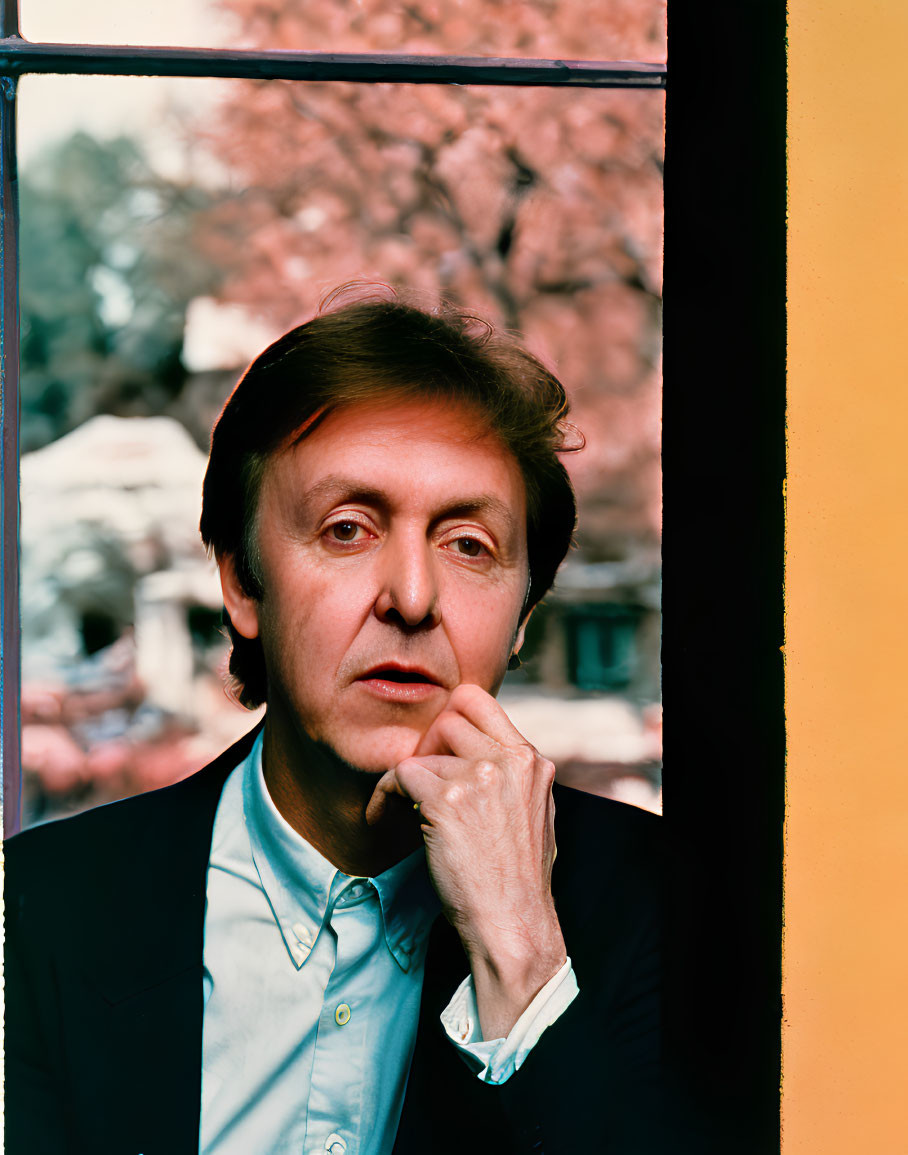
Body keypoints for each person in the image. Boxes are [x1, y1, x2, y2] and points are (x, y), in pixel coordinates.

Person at [5, 290, 665, 1155]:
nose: (414, 597)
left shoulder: (667, 910)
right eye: (347, 529)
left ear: (524, 615)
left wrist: (520, 958)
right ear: (242, 581)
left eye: (469, 544)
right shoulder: (36, 915)